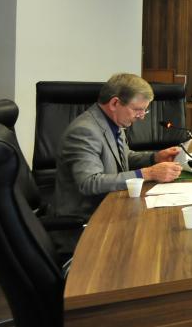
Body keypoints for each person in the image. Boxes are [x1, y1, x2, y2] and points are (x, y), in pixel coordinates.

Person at [56, 73, 183, 218]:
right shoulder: (84, 131)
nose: (142, 116)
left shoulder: (113, 122)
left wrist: (154, 158)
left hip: (113, 204)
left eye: (144, 110)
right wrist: (148, 173)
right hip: (86, 217)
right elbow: (90, 182)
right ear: (114, 103)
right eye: (137, 110)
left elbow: (122, 158)